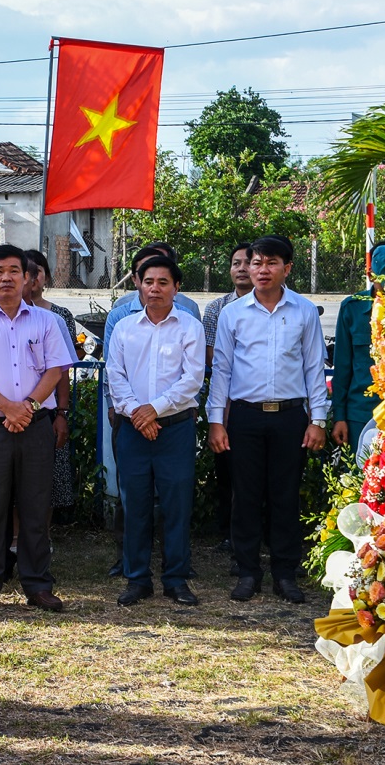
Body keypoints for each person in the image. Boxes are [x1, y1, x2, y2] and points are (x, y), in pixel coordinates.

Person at [207, 235, 328, 604]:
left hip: (290, 417)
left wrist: (317, 420)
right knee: (244, 496)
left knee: (284, 495)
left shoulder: (304, 312)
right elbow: (221, 371)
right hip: (244, 417)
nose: (261, 270)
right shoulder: (233, 314)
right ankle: (247, 572)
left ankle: (285, 574)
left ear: (287, 268)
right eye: (256, 263)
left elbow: (313, 368)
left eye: (271, 263)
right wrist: (216, 421)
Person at [0, 244, 73, 613]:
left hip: (35, 426)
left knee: (36, 507)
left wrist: (29, 407)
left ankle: (38, 584)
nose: (6, 278)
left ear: (28, 278)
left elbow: (57, 369)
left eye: (14, 271)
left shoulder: (46, 321)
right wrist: (8, 408)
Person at [107, 256, 205, 607]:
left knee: (176, 505)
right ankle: (137, 580)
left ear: (176, 287)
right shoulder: (124, 328)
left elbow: (192, 379)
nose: (155, 288)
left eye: (163, 282)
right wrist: (138, 413)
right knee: (135, 504)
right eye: (149, 281)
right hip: (133, 429)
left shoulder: (190, 327)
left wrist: (154, 410)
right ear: (138, 284)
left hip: (174, 429)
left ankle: (176, 579)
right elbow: (114, 376)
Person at [202, 242, 253, 550]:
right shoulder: (217, 309)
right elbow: (212, 358)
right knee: (228, 470)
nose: (242, 268)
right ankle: (229, 532)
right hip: (227, 401)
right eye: (236, 263)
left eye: (248, 262)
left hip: (260, 401)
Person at [331, 241, 385, 448]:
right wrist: (339, 417)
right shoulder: (352, 308)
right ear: (372, 276)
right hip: (361, 413)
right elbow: (342, 368)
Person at [24, 248, 78, 514]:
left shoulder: (55, 318)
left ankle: (40, 539)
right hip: (4, 414)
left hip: (42, 412)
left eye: (35, 273)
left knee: (41, 480)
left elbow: (61, 368)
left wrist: (61, 412)